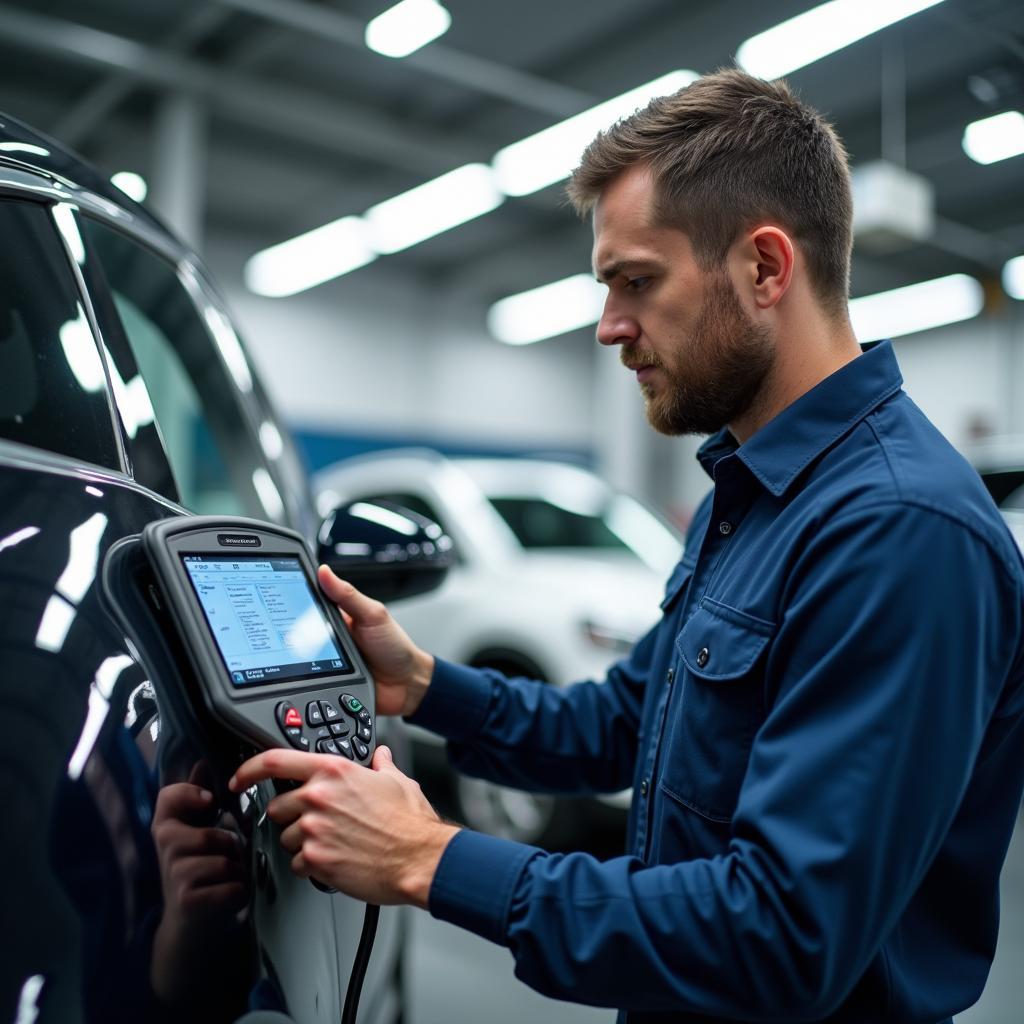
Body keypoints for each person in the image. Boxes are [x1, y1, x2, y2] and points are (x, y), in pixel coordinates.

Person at [230, 70, 1024, 1022]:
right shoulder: (756, 492)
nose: (610, 327)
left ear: (766, 269)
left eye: (635, 281)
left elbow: (782, 935)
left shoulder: (897, 531)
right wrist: (426, 684)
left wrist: (429, 857)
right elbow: (622, 727)